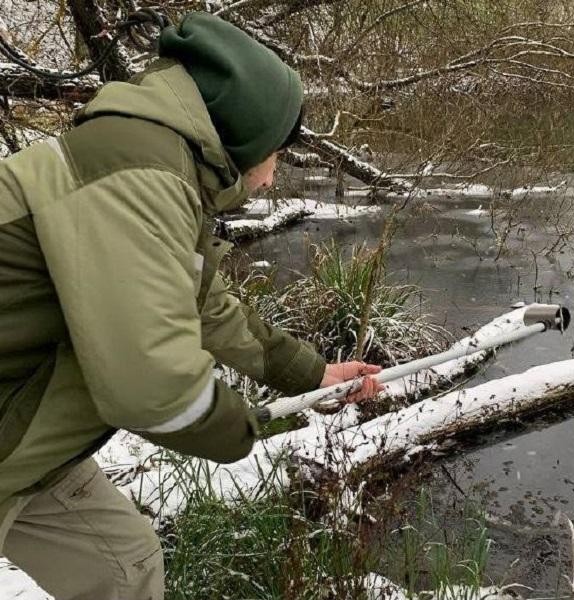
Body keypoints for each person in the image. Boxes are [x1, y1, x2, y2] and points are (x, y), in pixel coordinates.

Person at [0, 12, 382, 599]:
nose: (274, 174)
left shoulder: (159, 169)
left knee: (122, 566)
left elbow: (205, 304)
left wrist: (311, 373)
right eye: (278, 152)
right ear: (249, 134)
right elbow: (149, 385)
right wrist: (240, 427)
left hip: (27, 448)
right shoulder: (137, 172)